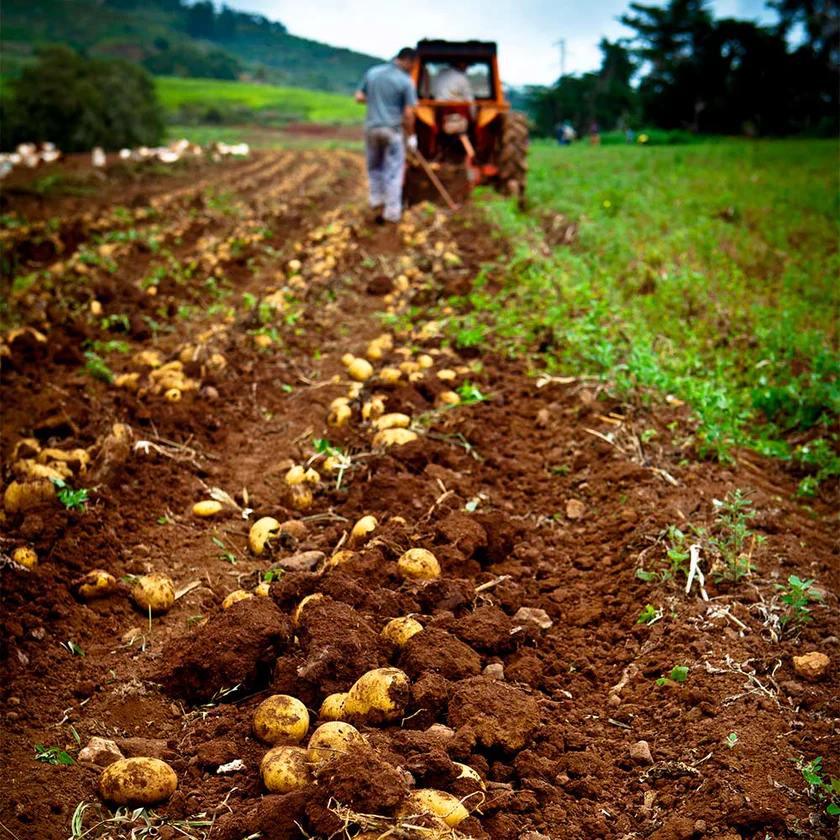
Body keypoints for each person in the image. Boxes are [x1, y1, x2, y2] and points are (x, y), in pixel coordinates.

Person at [355, 47, 418, 224]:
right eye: (414, 64)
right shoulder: (405, 81)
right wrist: (412, 136)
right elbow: (408, 113)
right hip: (392, 131)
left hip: (372, 129)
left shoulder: (373, 73)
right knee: (393, 172)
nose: (414, 68)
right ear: (409, 61)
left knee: (374, 168)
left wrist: (374, 101)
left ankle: (376, 203)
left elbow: (359, 97)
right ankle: (392, 214)